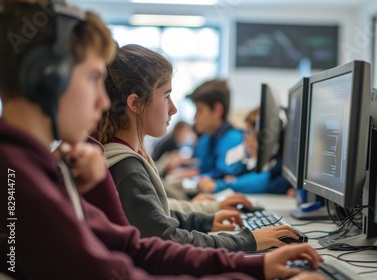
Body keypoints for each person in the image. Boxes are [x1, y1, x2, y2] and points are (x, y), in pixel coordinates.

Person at [0, 1, 325, 279]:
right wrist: (249, 265)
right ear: (47, 80)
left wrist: (258, 264)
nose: (101, 102)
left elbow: (131, 247)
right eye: (92, 78)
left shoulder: (40, 168)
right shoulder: (21, 180)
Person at [92, 43, 302, 252]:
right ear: (135, 104)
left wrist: (206, 220)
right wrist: (247, 240)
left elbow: (155, 218)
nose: (173, 109)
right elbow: (166, 238)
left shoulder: (126, 157)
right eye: (166, 96)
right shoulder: (126, 167)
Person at [198, 107, 294, 196]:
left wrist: (216, 186)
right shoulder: (265, 164)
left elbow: (261, 181)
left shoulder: (278, 170)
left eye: (249, 133)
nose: (245, 140)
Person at [188, 79, 248, 179]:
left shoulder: (234, 139)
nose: (195, 118)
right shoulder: (206, 138)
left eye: (200, 110)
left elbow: (222, 175)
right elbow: (201, 168)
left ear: (217, 110)